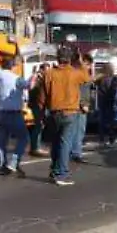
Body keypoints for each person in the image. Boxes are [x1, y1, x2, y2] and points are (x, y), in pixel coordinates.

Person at [41, 48, 90, 187]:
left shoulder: (49, 73)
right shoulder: (75, 73)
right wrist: (80, 61)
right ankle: (61, 173)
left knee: (56, 143)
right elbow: (87, 77)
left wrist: (43, 111)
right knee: (65, 143)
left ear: (57, 58)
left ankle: (54, 170)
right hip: (70, 112)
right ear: (69, 59)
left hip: (54, 112)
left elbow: (44, 94)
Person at [0, 54, 28, 176]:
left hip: (0, 112)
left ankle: (2, 165)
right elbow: (29, 86)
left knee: (2, 140)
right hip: (14, 113)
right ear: (13, 65)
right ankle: (14, 162)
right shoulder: (16, 78)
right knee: (23, 137)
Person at [94, 62, 117, 149]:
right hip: (110, 101)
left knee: (102, 121)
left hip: (102, 101)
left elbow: (94, 81)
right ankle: (111, 140)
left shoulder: (100, 77)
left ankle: (101, 140)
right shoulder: (114, 78)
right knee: (111, 121)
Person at [27, 63, 50, 157]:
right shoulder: (36, 77)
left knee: (40, 126)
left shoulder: (42, 78)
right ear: (42, 69)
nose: (48, 72)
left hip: (40, 105)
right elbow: (31, 88)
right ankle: (35, 148)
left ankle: (35, 147)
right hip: (36, 105)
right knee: (39, 125)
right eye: (46, 70)